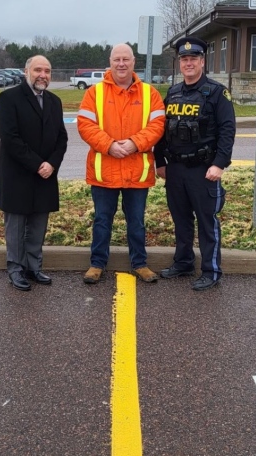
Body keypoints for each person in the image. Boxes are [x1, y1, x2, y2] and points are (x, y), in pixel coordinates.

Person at [76, 43, 166, 284]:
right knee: (102, 220)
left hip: (137, 171)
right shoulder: (95, 93)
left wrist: (135, 143)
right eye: (117, 59)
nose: (121, 64)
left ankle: (140, 264)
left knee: (136, 221)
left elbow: (157, 126)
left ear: (133, 62)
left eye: (126, 59)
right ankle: (97, 264)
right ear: (110, 62)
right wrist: (109, 145)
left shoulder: (150, 93)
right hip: (104, 170)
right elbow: (85, 125)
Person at [154, 37, 236, 291]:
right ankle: (184, 262)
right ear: (180, 63)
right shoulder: (173, 92)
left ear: (202, 61)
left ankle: (211, 270)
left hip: (204, 169)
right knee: (181, 220)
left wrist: (220, 164)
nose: (188, 63)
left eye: (193, 58)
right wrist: (160, 161)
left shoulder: (216, 92)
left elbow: (227, 130)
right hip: (176, 168)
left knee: (206, 221)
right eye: (184, 59)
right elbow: (162, 130)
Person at [0, 55, 68, 291]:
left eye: (47, 71)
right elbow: (10, 138)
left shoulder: (54, 101)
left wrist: (52, 164)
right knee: (15, 226)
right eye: (38, 70)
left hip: (46, 175)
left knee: (38, 224)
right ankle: (15, 268)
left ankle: (33, 267)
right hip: (18, 175)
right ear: (26, 71)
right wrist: (38, 164)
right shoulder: (9, 98)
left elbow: (62, 138)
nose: (43, 75)